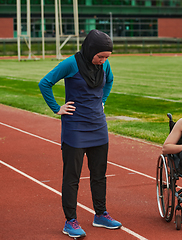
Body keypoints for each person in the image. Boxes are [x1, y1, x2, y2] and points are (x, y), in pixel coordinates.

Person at [38, 29, 122, 238]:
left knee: (99, 174)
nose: (103, 61)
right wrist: (57, 108)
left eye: (106, 57)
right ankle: (70, 221)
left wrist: (102, 101)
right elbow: (45, 83)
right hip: (75, 127)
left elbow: (109, 81)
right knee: (72, 177)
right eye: (100, 56)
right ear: (90, 49)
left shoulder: (105, 64)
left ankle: (100, 214)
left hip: (98, 126)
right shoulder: (71, 63)